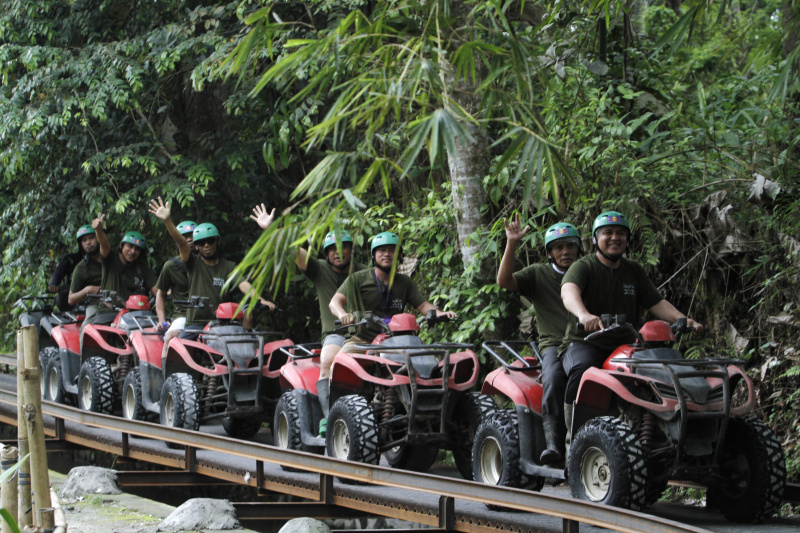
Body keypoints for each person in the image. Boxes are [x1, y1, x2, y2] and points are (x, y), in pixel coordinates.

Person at [560, 210, 703, 452]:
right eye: (608, 233)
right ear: (595, 239)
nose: (615, 237)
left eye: (621, 233)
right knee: (581, 370)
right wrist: (584, 315)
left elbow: (656, 302)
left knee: (660, 372)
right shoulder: (583, 266)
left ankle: (660, 437)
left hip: (626, 346)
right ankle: (573, 444)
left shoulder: (633, 270)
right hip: (587, 342)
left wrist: (683, 319)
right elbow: (568, 291)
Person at [324, 231, 456, 431]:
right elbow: (335, 302)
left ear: (399, 255)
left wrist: (440, 313)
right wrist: (343, 314)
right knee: (339, 366)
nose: (387, 254)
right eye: (382, 250)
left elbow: (423, 306)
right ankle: (335, 417)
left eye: (392, 250)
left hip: (398, 342)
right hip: (363, 340)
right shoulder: (357, 279)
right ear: (373, 255)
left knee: (429, 365)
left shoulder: (404, 282)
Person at [251, 203, 368, 422]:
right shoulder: (319, 269)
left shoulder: (364, 271)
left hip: (367, 333)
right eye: (332, 248)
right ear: (326, 253)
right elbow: (293, 249)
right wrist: (271, 228)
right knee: (327, 362)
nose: (338, 252)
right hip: (337, 334)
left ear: (352, 249)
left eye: (343, 247)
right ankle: (330, 418)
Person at [496, 215, 581, 464]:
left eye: (570, 246)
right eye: (559, 247)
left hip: (587, 341)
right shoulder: (538, 273)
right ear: (550, 253)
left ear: (579, 248)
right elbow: (504, 281)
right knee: (554, 376)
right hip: (554, 343)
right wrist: (511, 243)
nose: (565, 252)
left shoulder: (587, 270)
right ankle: (553, 443)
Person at [149, 197, 274, 336]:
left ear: (217, 241)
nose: (206, 246)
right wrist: (167, 221)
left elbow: (243, 284)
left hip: (222, 323)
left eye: (210, 241)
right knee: (179, 350)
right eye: (201, 243)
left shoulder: (228, 266)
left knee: (245, 345)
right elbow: (182, 244)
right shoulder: (192, 262)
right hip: (195, 323)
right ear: (196, 246)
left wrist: (261, 300)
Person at [154, 220, 197, 361]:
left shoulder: (207, 262)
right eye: (184, 236)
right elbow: (160, 294)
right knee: (170, 339)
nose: (189, 239)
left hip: (208, 314)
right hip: (183, 315)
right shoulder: (171, 266)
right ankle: (167, 377)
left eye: (192, 235)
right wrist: (162, 320)